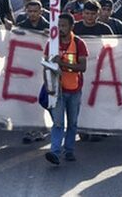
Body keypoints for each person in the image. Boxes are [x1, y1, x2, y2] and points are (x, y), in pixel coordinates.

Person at [45, 13, 87, 166]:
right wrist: (48, 86)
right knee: (58, 122)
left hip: (74, 89)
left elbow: (83, 67)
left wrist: (62, 64)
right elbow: (45, 66)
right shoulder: (52, 44)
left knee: (73, 122)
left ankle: (69, 150)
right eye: (59, 26)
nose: (61, 29)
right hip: (57, 90)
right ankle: (55, 152)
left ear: (71, 27)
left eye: (64, 26)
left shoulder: (79, 43)